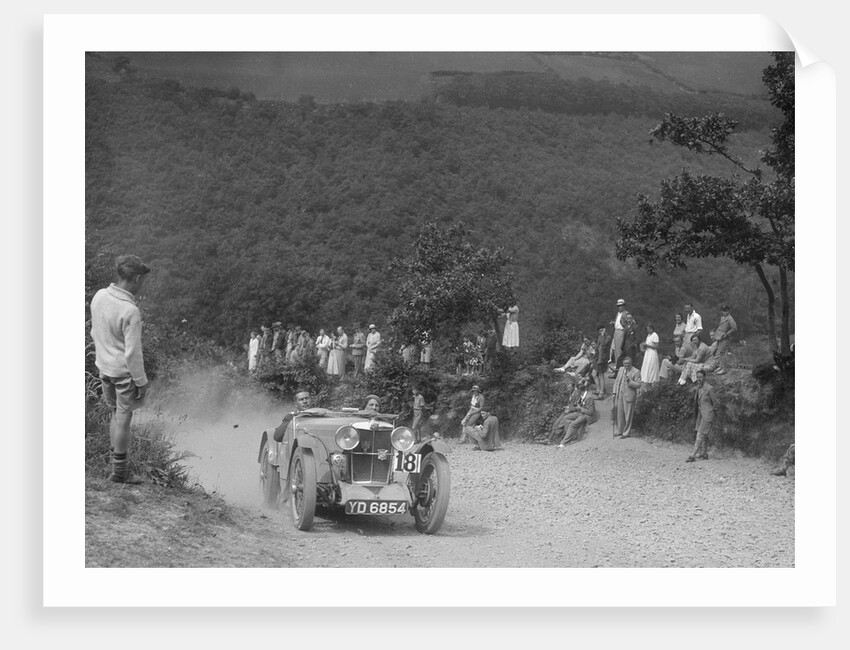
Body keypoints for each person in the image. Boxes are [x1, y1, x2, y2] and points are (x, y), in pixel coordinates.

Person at [90, 254, 151, 484]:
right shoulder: (130, 310)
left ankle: (114, 465)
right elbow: (133, 352)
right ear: (136, 278)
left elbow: (94, 332)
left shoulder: (99, 297)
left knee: (115, 413)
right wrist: (142, 381)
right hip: (123, 373)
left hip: (104, 367)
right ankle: (120, 472)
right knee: (124, 417)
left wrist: (102, 357)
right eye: (141, 280)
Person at [686, 370, 717, 462]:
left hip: (707, 414)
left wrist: (713, 414)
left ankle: (693, 455)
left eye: (701, 377)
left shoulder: (709, 388)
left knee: (700, 434)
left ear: (705, 377)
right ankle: (704, 453)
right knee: (704, 435)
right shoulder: (699, 388)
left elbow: (715, 403)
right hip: (700, 414)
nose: (699, 379)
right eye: (697, 377)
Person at [556, 378, 598, 448]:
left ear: (579, 391)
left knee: (573, 424)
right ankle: (571, 436)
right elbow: (578, 406)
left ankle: (564, 442)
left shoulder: (589, 397)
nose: (576, 392)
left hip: (587, 415)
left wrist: (580, 408)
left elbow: (590, 412)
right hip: (581, 412)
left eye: (577, 391)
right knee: (566, 418)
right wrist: (570, 409)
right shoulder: (582, 396)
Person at [612, 356, 642, 438]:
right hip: (620, 394)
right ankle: (619, 431)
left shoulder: (636, 371)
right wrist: (614, 392)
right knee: (619, 414)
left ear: (631, 363)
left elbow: (639, 384)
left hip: (629, 395)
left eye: (628, 363)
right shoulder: (621, 369)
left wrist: (630, 381)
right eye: (625, 363)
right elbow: (617, 381)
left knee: (628, 415)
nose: (626, 365)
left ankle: (626, 433)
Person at [711, 305, 738, 374]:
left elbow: (734, 328)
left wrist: (727, 334)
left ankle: (724, 369)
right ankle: (721, 366)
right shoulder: (723, 318)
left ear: (728, 311)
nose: (724, 312)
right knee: (720, 353)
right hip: (720, 337)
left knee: (723, 353)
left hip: (725, 338)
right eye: (723, 311)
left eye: (726, 311)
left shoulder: (730, 318)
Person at [593, 323, 612, 399]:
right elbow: (598, 346)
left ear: (605, 329)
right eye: (599, 331)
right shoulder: (599, 336)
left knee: (601, 375)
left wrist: (603, 335)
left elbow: (603, 344)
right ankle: (599, 389)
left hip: (603, 358)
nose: (601, 331)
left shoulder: (608, 337)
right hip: (598, 357)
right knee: (594, 373)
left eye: (602, 330)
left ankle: (601, 393)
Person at [608, 298, 627, 375]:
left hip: (621, 332)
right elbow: (617, 323)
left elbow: (628, 324)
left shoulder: (626, 314)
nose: (619, 307)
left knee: (619, 350)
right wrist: (614, 323)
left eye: (621, 306)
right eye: (618, 306)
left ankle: (619, 369)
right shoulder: (618, 314)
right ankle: (617, 367)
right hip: (616, 331)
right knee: (615, 350)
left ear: (623, 306)